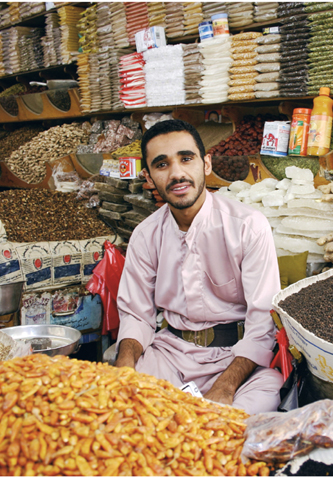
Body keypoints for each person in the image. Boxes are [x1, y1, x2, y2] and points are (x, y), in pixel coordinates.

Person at [114, 119, 284, 414]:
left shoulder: (247, 226)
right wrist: (124, 367)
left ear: (206, 164)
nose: (177, 173)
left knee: (259, 400)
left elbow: (261, 324)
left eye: (186, 158)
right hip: (169, 356)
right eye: (162, 164)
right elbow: (136, 315)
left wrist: (225, 386)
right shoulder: (145, 235)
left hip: (236, 360)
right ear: (149, 176)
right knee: (128, 408)